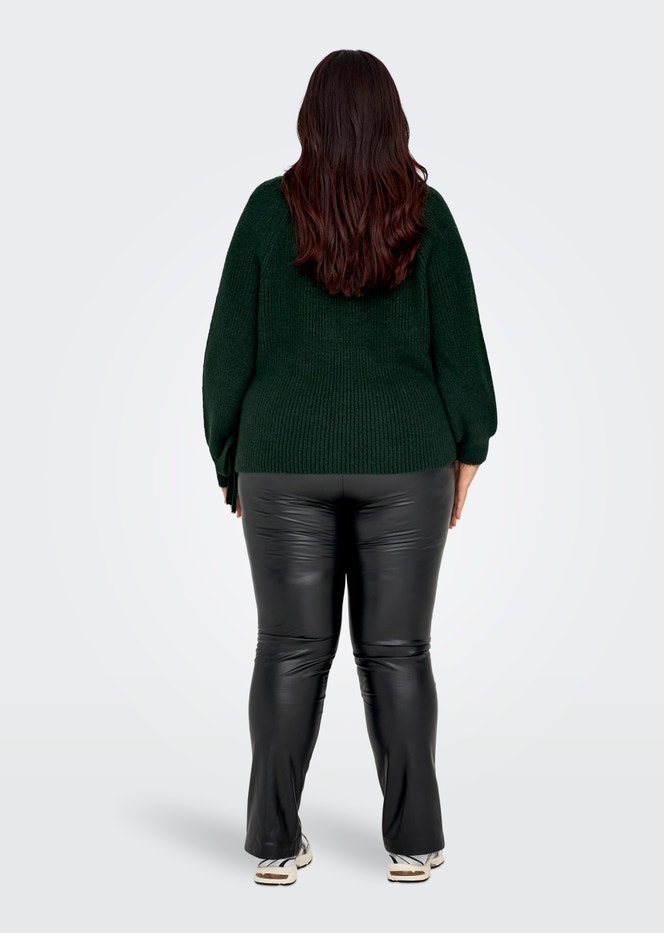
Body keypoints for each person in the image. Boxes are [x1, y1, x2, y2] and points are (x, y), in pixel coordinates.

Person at [202, 48, 498, 885]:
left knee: (289, 649)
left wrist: (231, 459)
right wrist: (469, 450)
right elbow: (463, 353)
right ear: (391, 121)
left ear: (311, 120)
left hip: (281, 463)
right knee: (398, 651)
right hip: (406, 463)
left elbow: (226, 354)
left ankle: (272, 843)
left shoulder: (267, 212)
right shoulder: (427, 215)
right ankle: (415, 842)